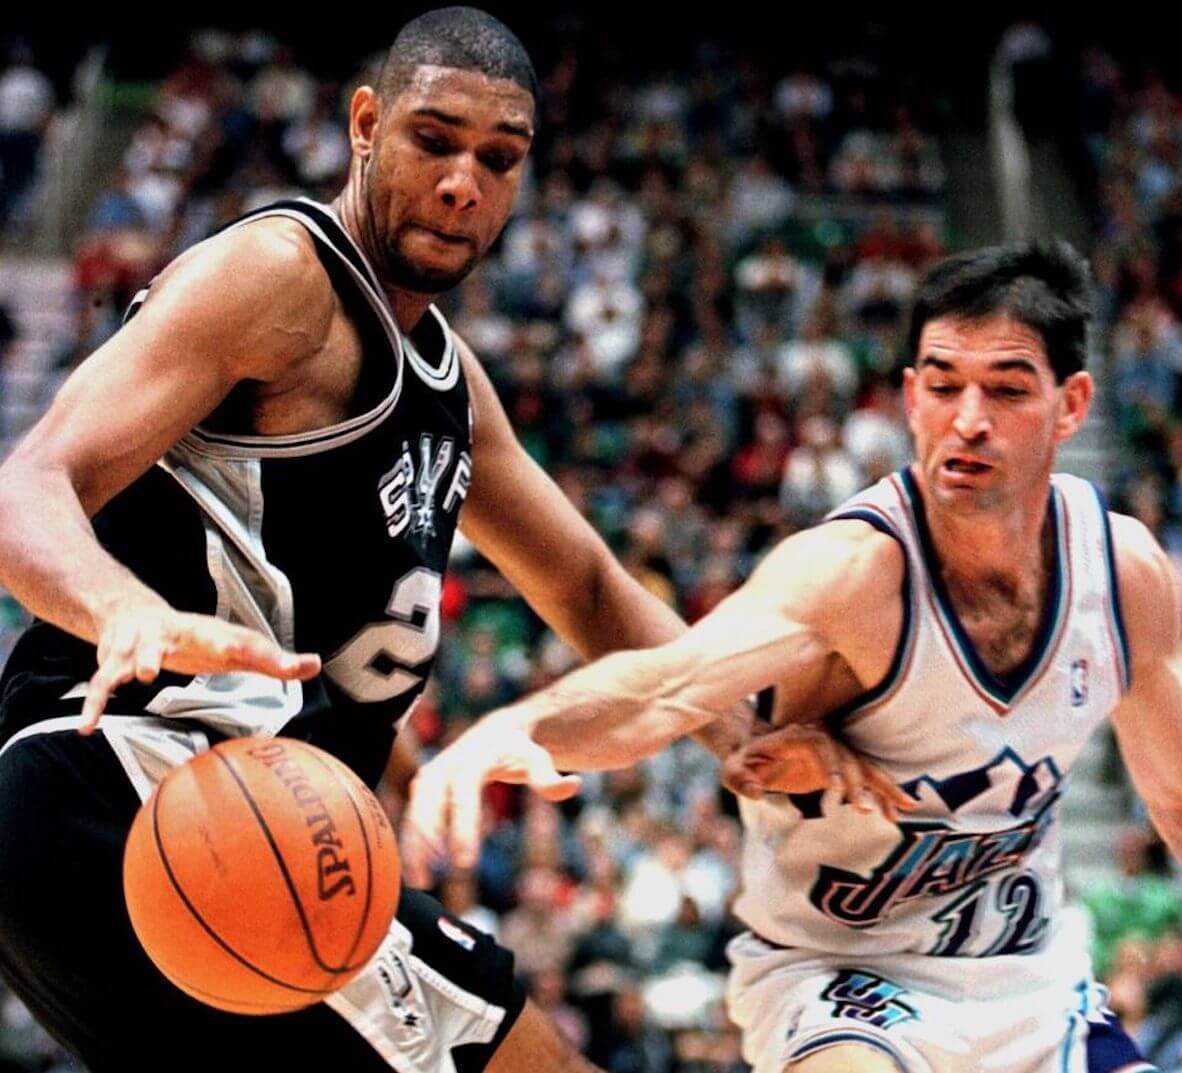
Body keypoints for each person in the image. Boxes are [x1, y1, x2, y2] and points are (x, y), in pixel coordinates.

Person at [0, 11, 903, 1073]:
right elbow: (28, 483)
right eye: (435, 140)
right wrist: (127, 612)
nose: (463, 181)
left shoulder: (447, 383)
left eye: (499, 158)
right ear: (367, 126)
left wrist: (753, 738)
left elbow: (589, 588)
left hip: (193, 830)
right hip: (135, 785)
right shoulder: (280, 277)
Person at [406, 241, 1182, 1073]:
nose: (969, 418)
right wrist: (518, 725)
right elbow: (669, 688)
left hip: (1028, 983)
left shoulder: (1121, 571)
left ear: (1071, 407)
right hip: (848, 983)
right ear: (911, 397)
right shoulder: (855, 570)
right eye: (944, 384)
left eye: (1006, 388)